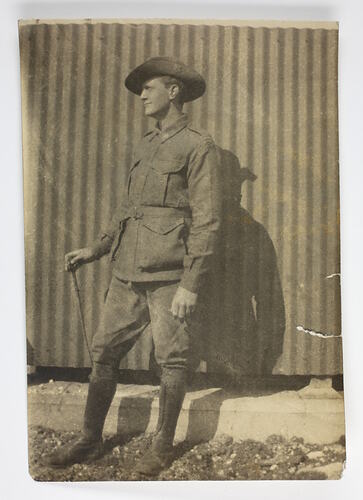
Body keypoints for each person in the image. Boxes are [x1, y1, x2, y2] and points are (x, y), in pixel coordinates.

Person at [45, 57, 221, 476]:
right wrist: (98, 249)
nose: (141, 95)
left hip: (169, 276)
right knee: (104, 353)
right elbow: (129, 207)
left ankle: (161, 447)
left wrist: (190, 284)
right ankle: (90, 441)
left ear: (173, 91)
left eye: (150, 87)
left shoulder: (198, 145)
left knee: (173, 360)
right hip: (127, 271)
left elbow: (208, 219)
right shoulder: (145, 144)